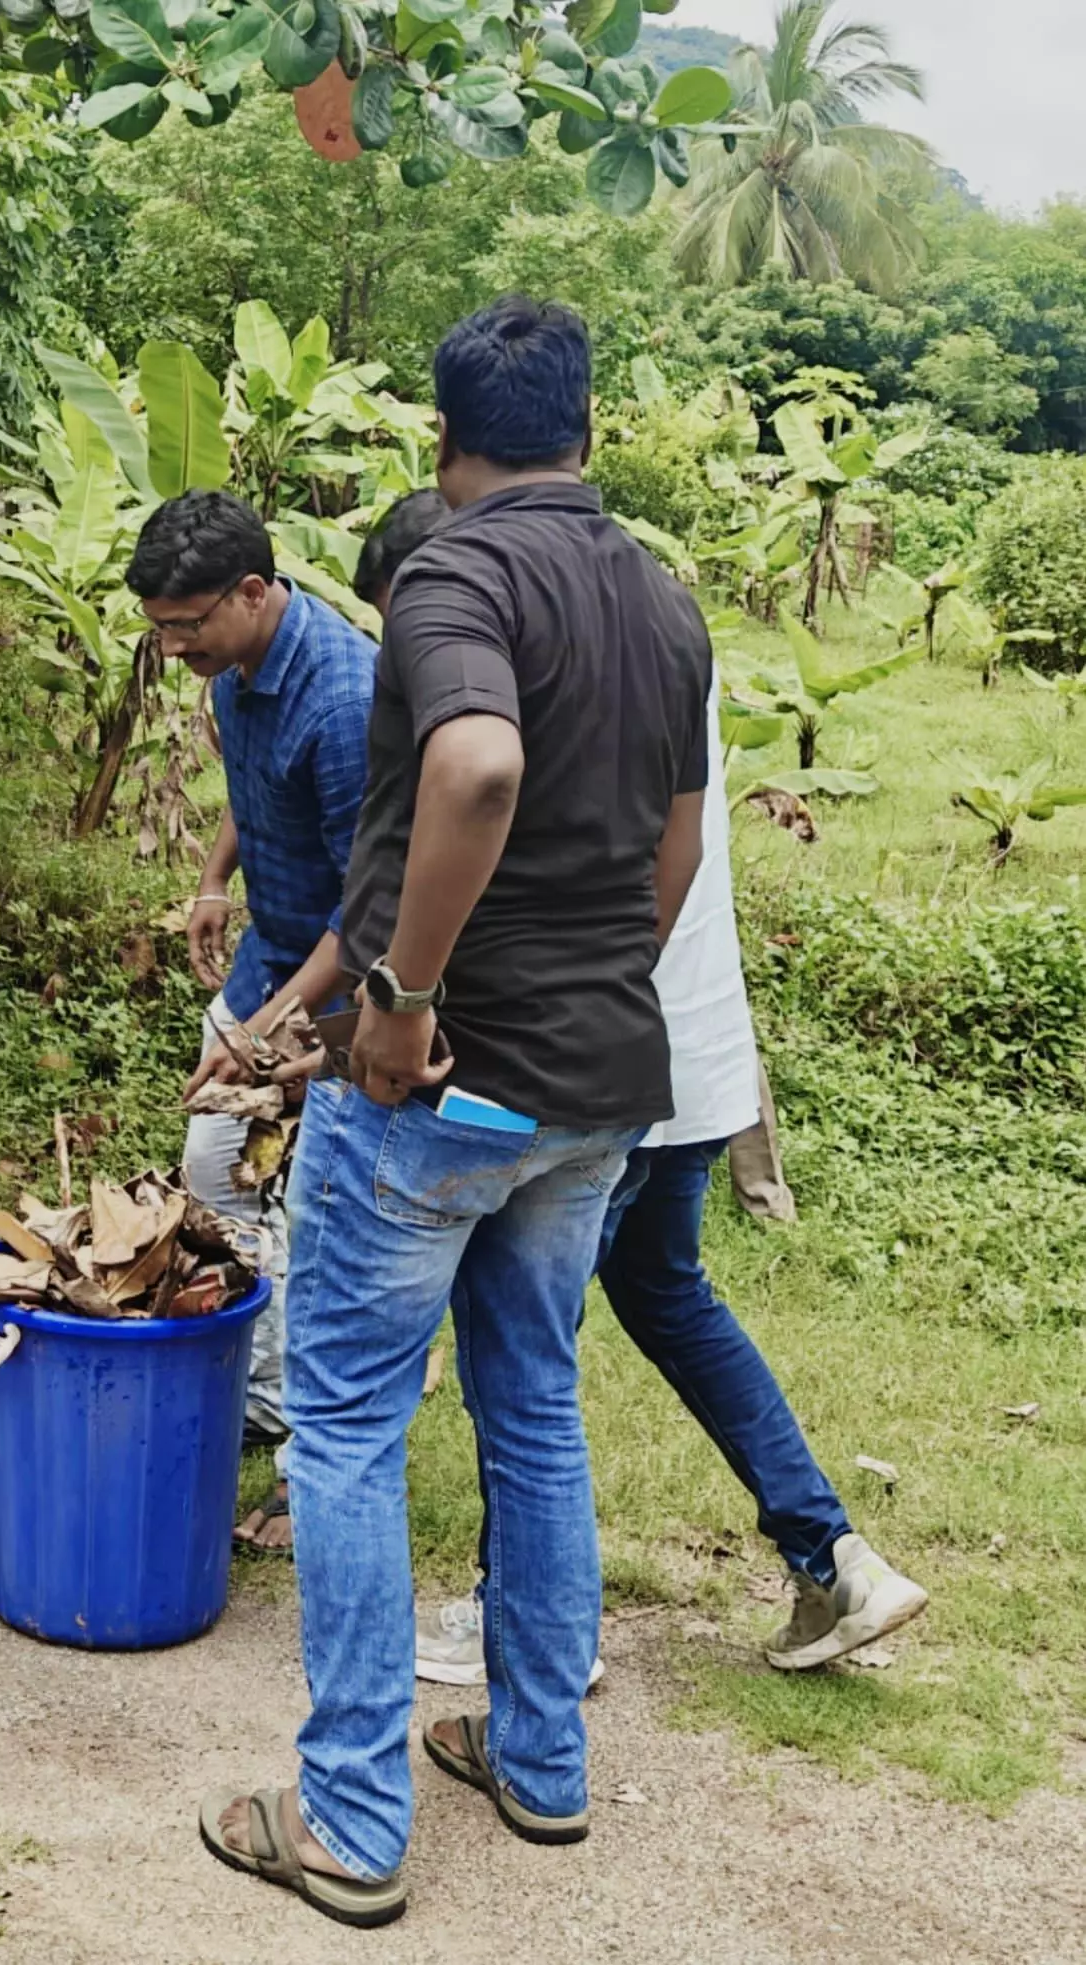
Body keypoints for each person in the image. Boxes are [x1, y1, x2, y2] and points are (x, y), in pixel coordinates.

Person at [200, 298, 710, 1927]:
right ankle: (540, 1761)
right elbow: (678, 845)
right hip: (596, 1088)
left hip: (439, 1091)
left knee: (348, 1426)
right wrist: (589, 979)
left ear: (444, 441)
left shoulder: (455, 571)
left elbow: (475, 766)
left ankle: (353, 1824)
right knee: (534, 1407)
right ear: (589, 430)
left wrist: (406, 995)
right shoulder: (662, 596)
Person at [412, 558, 927, 1685]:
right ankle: (835, 1558)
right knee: (664, 1295)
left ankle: (525, 1616)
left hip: (600, 1067)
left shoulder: (539, 648)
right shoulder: (661, 627)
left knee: (525, 1350)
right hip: (690, 1053)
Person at [141, 488, 379, 1476]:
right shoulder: (234, 667)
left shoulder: (345, 700)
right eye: (157, 629)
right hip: (271, 953)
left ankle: (293, 1408)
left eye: (184, 627)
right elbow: (252, 783)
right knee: (216, 1166)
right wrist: (213, 878)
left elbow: (369, 911)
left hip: (345, 985)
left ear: (250, 590)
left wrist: (270, 1033)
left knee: (311, 1195)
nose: (171, 650)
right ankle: (264, 1389)